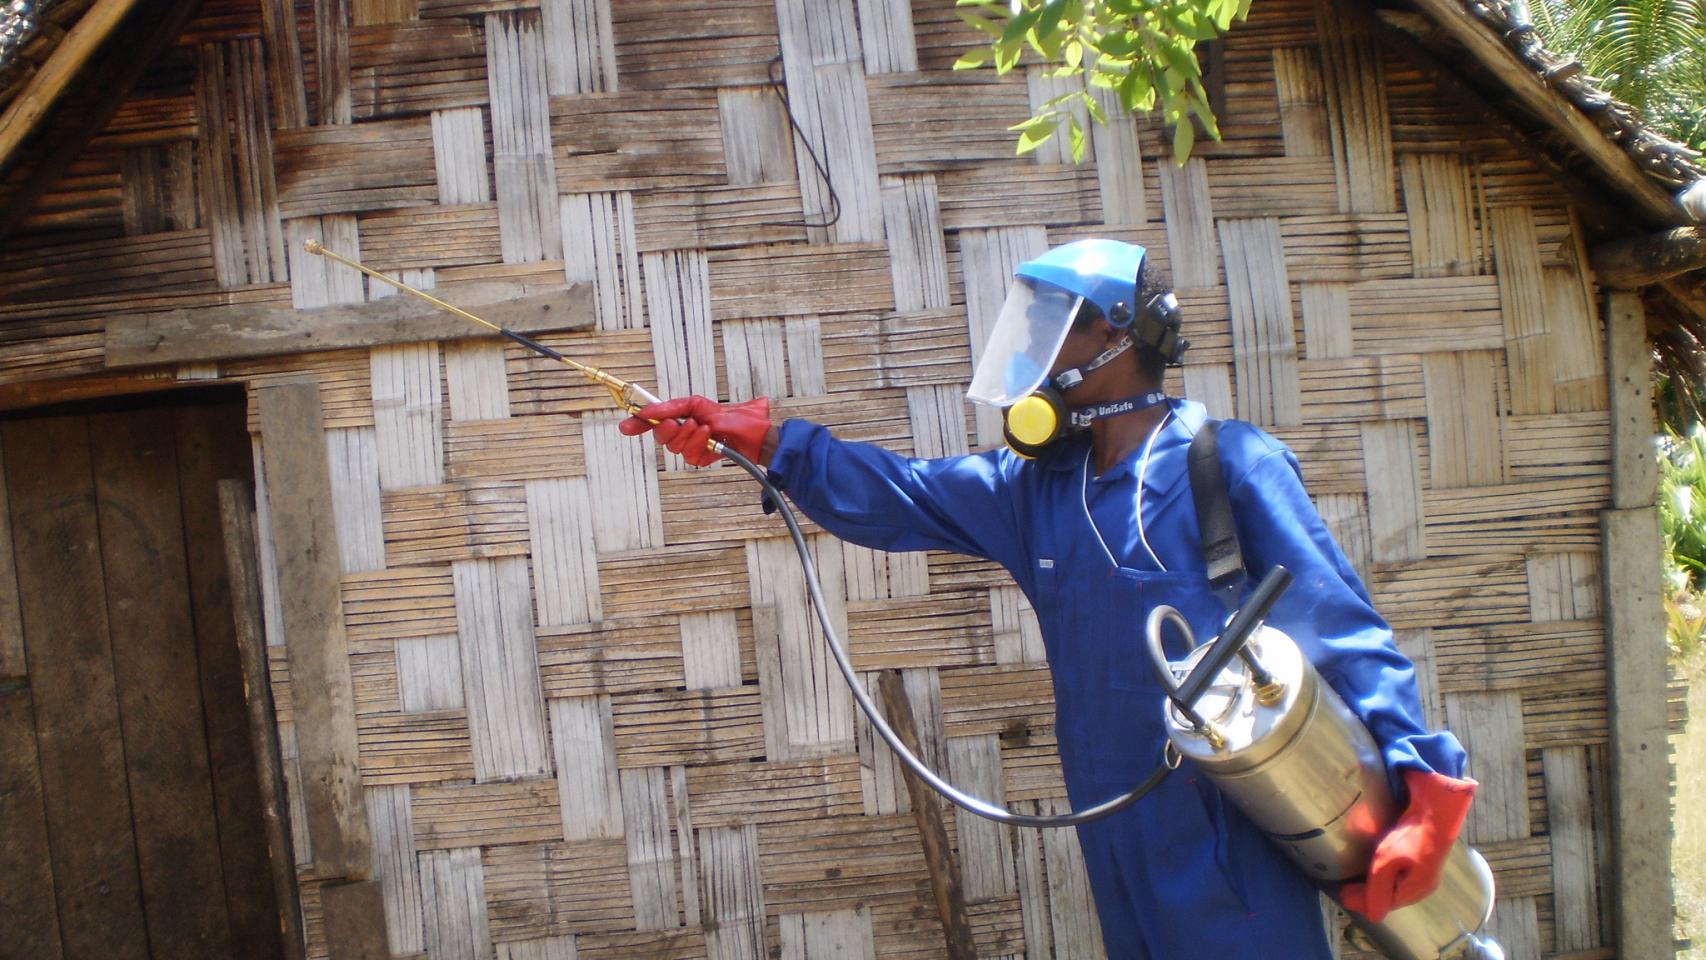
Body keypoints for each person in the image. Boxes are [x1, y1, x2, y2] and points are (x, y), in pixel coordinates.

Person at [620, 239, 1476, 960]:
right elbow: (897, 492)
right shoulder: (1034, 490)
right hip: (1117, 832)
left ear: (1113, 332)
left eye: (1048, 328)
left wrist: (1430, 794)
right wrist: (765, 439)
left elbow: (1342, 627)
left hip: (1229, 829)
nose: (1031, 351)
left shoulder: (1227, 463)